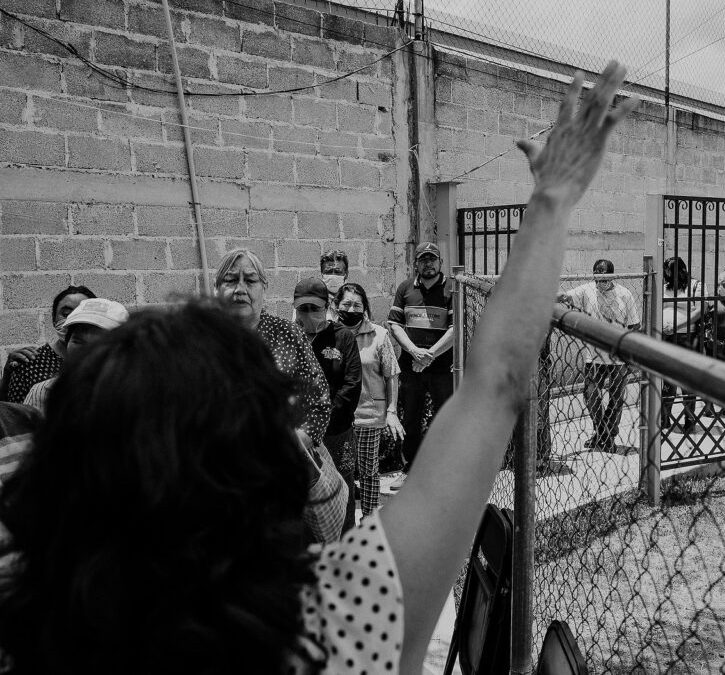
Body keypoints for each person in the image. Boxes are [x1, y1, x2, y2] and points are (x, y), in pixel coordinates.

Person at [0, 61, 636, 673]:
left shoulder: (30, 630)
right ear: (259, 476)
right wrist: (551, 202)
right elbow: (496, 383)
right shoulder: (341, 622)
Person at [215, 248, 332, 446]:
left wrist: (292, 446)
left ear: (264, 287)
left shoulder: (288, 334)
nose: (240, 289)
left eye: (251, 281)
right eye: (231, 280)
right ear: (216, 289)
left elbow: (318, 402)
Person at [293, 277, 362, 533]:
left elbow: (351, 385)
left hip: (336, 433)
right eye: (303, 309)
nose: (308, 314)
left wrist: (321, 422)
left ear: (328, 306)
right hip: (301, 438)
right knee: (308, 495)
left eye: (315, 308)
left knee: (341, 490)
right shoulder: (290, 337)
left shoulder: (342, 338)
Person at [337, 283, 404, 517]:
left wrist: (392, 411)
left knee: (368, 472)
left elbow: (391, 374)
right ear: (337, 306)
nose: (351, 308)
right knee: (340, 471)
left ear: (365, 307)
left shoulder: (379, 335)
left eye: (357, 304)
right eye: (346, 304)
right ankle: (342, 521)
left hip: (368, 414)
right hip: (338, 417)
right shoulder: (331, 334)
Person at [559, 258, 641, 450]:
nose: (600, 282)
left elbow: (634, 326)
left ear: (612, 276)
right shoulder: (587, 290)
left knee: (616, 399)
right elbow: (564, 296)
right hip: (594, 355)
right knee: (590, 395)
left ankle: (607, 437)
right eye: (597, 277)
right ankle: (602, 431)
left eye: (604, 278)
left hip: (618, 356)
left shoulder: (625, 294)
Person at [387, 241, 454, 471]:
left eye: (432, 259)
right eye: (423, 259)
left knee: (444, 418)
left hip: (442, 367)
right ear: (415, 264)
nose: (428, 264)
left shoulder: (451, 289)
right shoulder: (405, 288)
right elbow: (394, 325)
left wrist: (430, 355)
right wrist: (414, 352)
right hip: (410, 366)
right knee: (410, 419)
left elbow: (457, 329)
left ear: (440, 262)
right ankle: (410, 470)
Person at [22, 298, 129, 414]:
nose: (86, 351)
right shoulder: (43, 392)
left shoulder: (138, 394)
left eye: (98, 344)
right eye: (78, 341)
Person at [0, 285, 96, 404]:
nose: (73, 320)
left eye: (81, 313)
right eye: (65, 314)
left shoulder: (109, 361)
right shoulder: (30, 361)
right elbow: (14, 414)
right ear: (53, 319)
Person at [660, 257, 705, 434]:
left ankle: (689, 419)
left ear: (682, 271)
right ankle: (664, 418)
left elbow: (700, 310)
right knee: (667, 380)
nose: (668, 275)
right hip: (666, 337)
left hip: (686, 336)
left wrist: (676, 326)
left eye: (671, 271)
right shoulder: (665, 287)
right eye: (666, 272)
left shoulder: (695, 286)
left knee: (687, 380)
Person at [320, 249, 349, 322]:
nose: (333, 276)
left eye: (337, 272)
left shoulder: (355, 300)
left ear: (346, 274)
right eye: (328, 272)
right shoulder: (311, 300)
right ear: (322, 274)